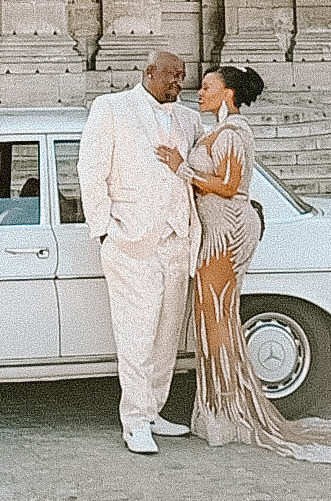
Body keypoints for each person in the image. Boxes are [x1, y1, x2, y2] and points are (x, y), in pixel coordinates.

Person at [155, 64, 331, 463]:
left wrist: (180, 167)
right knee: (211, 320)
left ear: (229, 94)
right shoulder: (218, 132)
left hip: (226, 231)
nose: (199, 92)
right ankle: (220, 407)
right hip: (215, 230)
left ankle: (229, 411)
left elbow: (231, 186)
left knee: (217, 319)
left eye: (207, 87)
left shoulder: (236, 133)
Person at [77, 50, 202, 455]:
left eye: (182, 77)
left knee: (167, 336)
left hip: (177, 242)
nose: (178, 84)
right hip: (131, 243)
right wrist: (104, 231)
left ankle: (153, 410)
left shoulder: (188, 119)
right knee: (136, 334)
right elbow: (91, 170)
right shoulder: (111, 108)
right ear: (148, 72)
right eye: (171, 76)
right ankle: (133, 421)